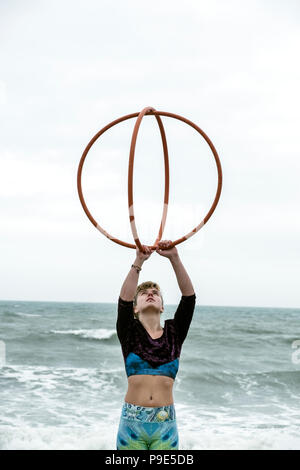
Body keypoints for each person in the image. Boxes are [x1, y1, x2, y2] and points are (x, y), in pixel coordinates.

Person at [116, 239, 196, 450]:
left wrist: (174, 258)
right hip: (132, 425)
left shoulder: (175, 332)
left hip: (165, 425)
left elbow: (189, 298)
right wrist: (139, 261)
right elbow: (123, 300)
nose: (150, 293)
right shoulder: (129, 332)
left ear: (162, 307)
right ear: (135, 308)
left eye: (155, 293)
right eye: (143, 293)